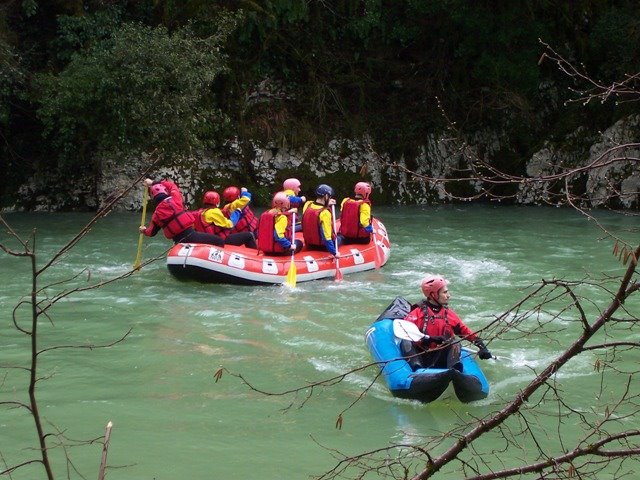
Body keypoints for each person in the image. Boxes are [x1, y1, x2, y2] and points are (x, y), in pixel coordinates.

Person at [401, 275, 492, 370]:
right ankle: (417, 371)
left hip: (440, 357)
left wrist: (482, 346)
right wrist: (430, 339)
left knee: (455, 342)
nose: (448, 295)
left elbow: (465, 332)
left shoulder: (449, 314)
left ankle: (454, 371)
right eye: (445, 292)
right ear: (433, 295)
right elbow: (404, 332)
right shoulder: (417, 313)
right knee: (405, 341)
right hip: (421, 357)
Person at [139, 178, 224, 246]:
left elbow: (151, 232)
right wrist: (153, 182)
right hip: (191, 235)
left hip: (178, 241)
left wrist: (144, 230)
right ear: (165, 191)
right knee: (219, 240)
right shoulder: (176, 199)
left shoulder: (156, 215)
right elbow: (172, 186)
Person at [191, 190, 257, 249]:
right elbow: (230, 225)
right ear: (217, 202)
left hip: (206, 240)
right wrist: (237, 213)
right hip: (219, 240)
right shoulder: (214, 212)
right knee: (249, 235)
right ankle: (256, 258)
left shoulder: (199, 212)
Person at [301, 184, 338, 257]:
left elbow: (317, 205)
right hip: (323, 247)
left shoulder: (308, 205)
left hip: (309, 245)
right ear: (326, 196)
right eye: (329, 197)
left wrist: (328, 203)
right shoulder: (325, 213)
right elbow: (327, 237)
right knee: (340, 237)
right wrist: (334, 253)